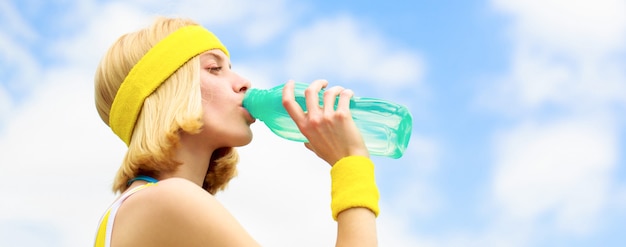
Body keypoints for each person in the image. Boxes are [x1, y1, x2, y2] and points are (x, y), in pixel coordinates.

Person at [93, 16, 380, 247]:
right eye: (214, 68)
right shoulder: (166, 200)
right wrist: (351, 163)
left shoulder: (141, 207)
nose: (243, 82)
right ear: (167, 91)